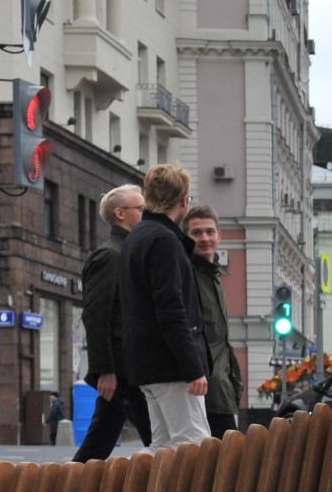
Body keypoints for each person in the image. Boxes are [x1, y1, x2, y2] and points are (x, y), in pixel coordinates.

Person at [121, 164, 210, 449]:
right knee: (194, 447)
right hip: (171, 365)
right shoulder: (165, 241)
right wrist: (193, 367)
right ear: (184, 201)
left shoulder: (136, 236)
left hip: (145, 363)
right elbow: (171, 311)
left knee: (163, 447)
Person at [73, 185, 153, 462]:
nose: (146, 213)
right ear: (120, 213)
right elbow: (96, 316)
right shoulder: (110, 255)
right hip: (121, 369)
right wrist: (105, 370)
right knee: (158, 438)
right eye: (141, 208)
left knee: (98, 444)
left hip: (128, 366)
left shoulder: (128, 251)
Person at [184, 204, 244, 437]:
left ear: (220, 235)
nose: (204, 238)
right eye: (196, 233)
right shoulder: (188, 274)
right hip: (203, 383)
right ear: (186, 237)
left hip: (219, 381)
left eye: (210, 232)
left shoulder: (213, 275)